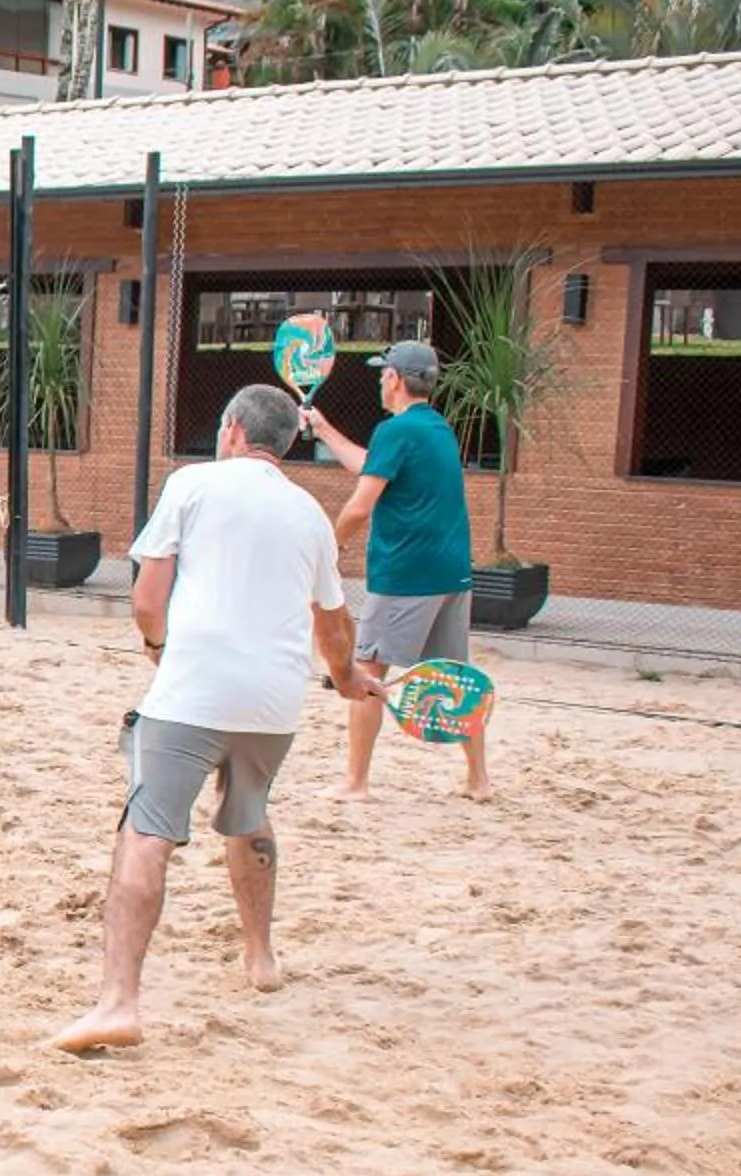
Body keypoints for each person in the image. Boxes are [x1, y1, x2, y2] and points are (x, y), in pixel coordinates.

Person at [53, 385, 375, 1055]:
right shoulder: (311, 513)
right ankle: (260, 958)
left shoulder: (192, 485)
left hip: (194, 691)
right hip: (274, 701)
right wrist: (347, 680)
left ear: (230, 429)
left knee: (145, 835)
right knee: (249, 814)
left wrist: (158, 647)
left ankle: (118, 1004)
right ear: (285, 445)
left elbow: (147, 597)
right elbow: (334, 623)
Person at [302, 339, 491, 802]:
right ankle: (478, 781)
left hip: (406, 573)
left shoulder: (396, 430)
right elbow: (372, 467)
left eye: (383, 372)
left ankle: (356, 783)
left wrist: (331, 547)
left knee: (366, 667)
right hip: (451, 573)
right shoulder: (435, 428)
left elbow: (360, 504)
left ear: (394, 379)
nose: (380, 379)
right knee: (455, 677)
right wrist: (324, 429)